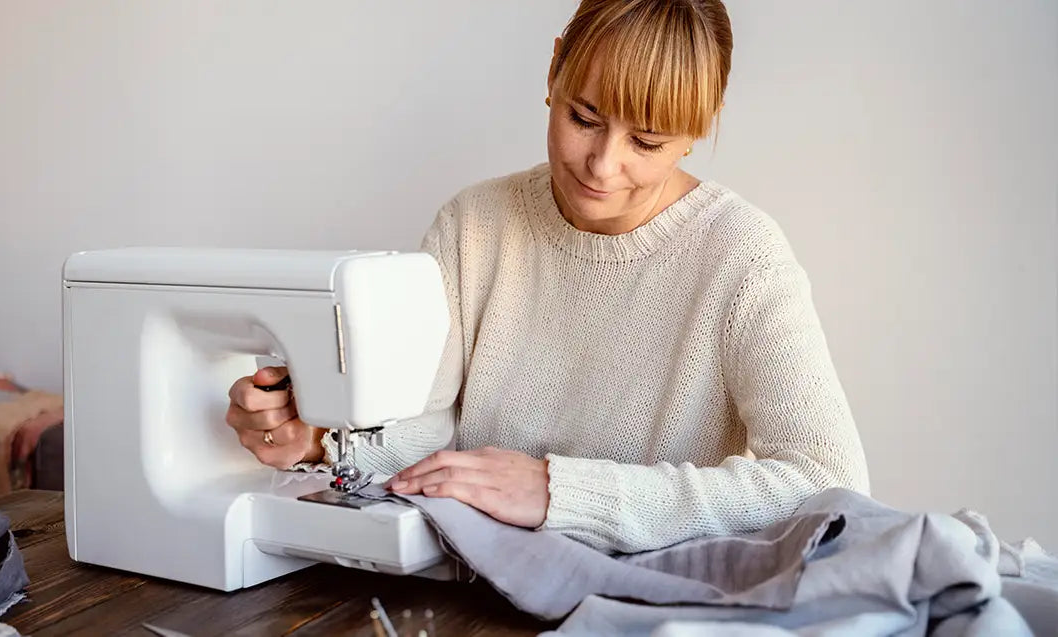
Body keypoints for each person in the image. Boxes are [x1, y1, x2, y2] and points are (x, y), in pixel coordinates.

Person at [225, 0, 870, 554]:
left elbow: (829, 486)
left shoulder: (741, 256)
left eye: (646, 142)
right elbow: (431, 430)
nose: (602, 164)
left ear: (697, 128)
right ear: (554, 67)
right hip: (474, 586)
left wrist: (561, 491)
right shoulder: (473, 225)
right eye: (583, 117)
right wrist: (318, 441)